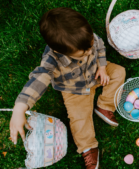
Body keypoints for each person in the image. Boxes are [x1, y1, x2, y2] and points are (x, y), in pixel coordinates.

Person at [9, 7, 125, 169]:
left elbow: (99, 48)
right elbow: (38, 80)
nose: (89, 50)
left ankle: (104, 106)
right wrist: (19, 108)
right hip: (74, 90)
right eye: (83, 53)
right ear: (58, 51)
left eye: (90, 44)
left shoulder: (87, 38)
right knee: (79, 119)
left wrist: (102, 67)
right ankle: (88, 146)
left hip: (96, 73)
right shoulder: (52, 60)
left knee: (119, 72)